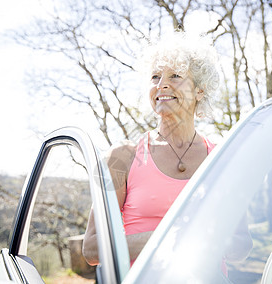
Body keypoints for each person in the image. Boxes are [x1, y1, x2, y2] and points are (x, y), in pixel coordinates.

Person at [82, 32, 252, 266]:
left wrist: (207, 235)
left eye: (175, 75)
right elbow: (91, 248)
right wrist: (162, 238)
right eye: (155, 77)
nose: (162, 84)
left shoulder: (221, 159)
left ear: (199, 90)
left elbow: (241, 247)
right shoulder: (122, 157)